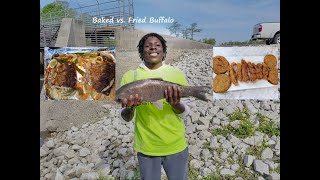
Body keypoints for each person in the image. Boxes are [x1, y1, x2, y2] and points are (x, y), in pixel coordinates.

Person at [119, 33, 191, 180]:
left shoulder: (176, 74)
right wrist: (130, 107)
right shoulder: (129, 77)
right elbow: (125, 117)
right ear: (141, 51)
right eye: (147, 45)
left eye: (158, 45)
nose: (153, 47)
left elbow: (185, 113)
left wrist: (175, 103)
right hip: (146, 148)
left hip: (176, 145)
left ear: (163, 50)